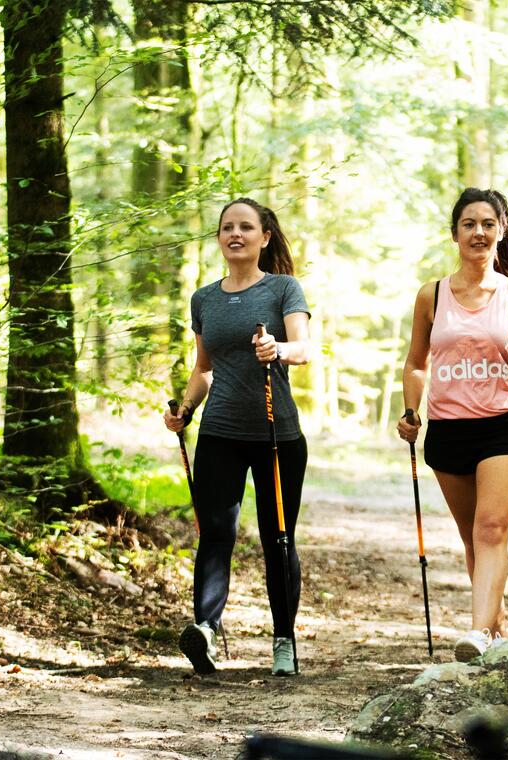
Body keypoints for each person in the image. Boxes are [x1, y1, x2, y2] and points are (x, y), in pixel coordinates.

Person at [397, 188, 508, 662]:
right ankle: (498, 628)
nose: (479, 232)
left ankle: (478, 633)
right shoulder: (432, 295)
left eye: (488, 223)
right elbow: (416, 362)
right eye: (469, 224)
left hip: (505, 424)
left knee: (491, 529)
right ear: (455, 234)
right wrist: (412, 410)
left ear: (501, 232)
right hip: (448, 428)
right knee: (473, 537)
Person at [164, 197, 311, 677]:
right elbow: (204, 369)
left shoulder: (284, 289)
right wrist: (185, 410)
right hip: (220, 432)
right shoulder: (204, 299)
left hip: (276, 434)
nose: (236, 234)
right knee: (215, 535)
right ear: (220, 238)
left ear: (264, 237)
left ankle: (284, 640)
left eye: (246, 227)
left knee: (278, 537)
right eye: (227, 227)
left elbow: (303, 349)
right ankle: (205, 629)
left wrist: (278, 348)